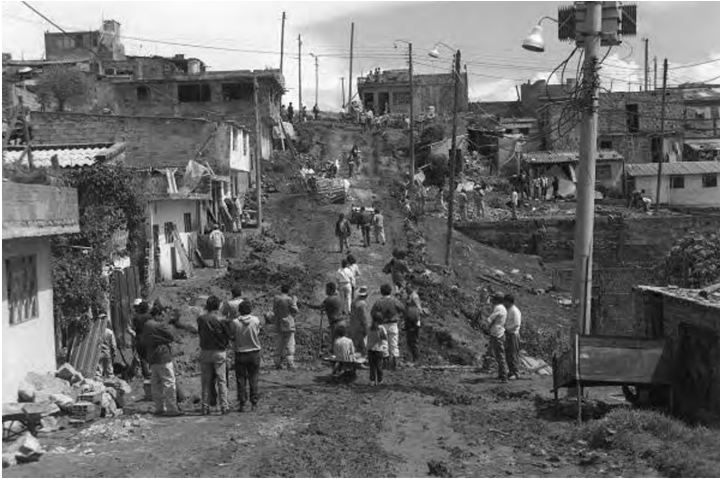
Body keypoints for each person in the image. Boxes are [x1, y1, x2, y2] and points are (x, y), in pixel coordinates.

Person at [141, 311, 182, 416]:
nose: (163, 317)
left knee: (156, 384)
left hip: (152, 358)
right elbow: (171, 336)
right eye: (162, 315)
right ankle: (172, 409)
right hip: (163, 356)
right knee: (169, 383)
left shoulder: (146, 325)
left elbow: (143, 341)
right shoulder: (159, 325)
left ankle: (159, 408)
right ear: (157, 315)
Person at [197, 295, 230, 415]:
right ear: (218, 306)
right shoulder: (222, 319)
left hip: (205, 351)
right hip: (219, 351)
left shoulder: (201, 319)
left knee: (205, 381)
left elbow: (200, 332)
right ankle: (224, 406)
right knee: (222, 380)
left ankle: (205, 407)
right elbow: (228, 335)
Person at [229, 300, 262, 411]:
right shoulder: (256, 320)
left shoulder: (235, 322)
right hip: (254, 353)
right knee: (254, 378)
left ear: (240, 311)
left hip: (241, 354)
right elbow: (257, 332)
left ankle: (242, 403)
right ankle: (254, 403)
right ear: (250, 310)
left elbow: (232, 335)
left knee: (241, 379)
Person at [370, 283, 405, 371]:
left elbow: (373, 313)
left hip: (382, 324)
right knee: (394, 344)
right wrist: (399, 317)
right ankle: (395, 364)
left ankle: (385, 364)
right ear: (390, 291)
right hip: (393, 324)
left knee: (384, 344)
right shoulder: (394, 301)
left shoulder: (378, 302)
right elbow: (402, 308)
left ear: (381, 292)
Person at [483, 293, 509, 383]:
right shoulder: (502, 308)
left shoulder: (498, 308)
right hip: (499, 332)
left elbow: (490, 319)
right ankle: (501, 375)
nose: (492, 300)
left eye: (494, 299)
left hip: (497, 334)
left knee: (500, 356)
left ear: (497, 300)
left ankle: (504, 376)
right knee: (499, 355)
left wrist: (484, 314)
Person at [273, 284, 299, 370]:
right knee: (290, 344)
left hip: (278, 324)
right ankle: (290, 364)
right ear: (289, 291)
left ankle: (277, 363)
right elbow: (295, 310)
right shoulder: (289, 299)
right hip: (288, 324)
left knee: (279, 344)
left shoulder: (276, 299)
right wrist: (295, 301)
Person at [402, 279, 425, 364]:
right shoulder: (408, 296)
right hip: (409, 320)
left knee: (414, 340)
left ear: (411, 287)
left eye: (408, 288)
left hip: (414, 321)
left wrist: (415, 321)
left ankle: (416, 360)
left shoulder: (414, 296)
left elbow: (419, 309)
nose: (406, 290)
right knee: (409, 340)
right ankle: (412, 358)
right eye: (405, 288)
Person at [128, 299, 151, 379]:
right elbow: (129, 328)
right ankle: (134, 372)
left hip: (139, 339)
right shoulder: (149, 316)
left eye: (137, 307)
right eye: (135, 307)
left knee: (142, 357)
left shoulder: (136, 317)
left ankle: (144, 373)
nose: (136, 308)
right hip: (144, 338)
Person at [320, 282, 346, 352]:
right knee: (341, 342)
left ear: (331, 290)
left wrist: (306, 304)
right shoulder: (338, 298)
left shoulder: (329, 299)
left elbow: (319, 306)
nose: (325, 291)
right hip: (342, 322)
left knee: (335, 343)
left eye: (327, 289)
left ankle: (336, 359)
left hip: (335, 323)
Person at [503, 294, 522, 381]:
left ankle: (516, 373)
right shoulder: (509, 310)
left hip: (513, 334)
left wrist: (507, 329)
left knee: (513, 354)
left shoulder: (514, 311)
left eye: (505, 301)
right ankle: (511, 371)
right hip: (508, 334)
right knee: (508, 354)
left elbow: (516, 324)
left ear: (508, 301)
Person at [367, 314, 388, 386]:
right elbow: (384, 338)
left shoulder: (369, 327)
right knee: (379, 366)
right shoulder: (381, 328)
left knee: (372, 367)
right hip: (379, 350)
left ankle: (372, 380)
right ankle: (380, 380)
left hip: (370, 349)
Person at [349, 285, 371, 355]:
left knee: (355, 345)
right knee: (362, 346)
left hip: (353, 325)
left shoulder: (354, 301)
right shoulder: (362, 304)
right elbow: (364, 318)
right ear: (366, 295)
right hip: (360, 327)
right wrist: (366, 329)